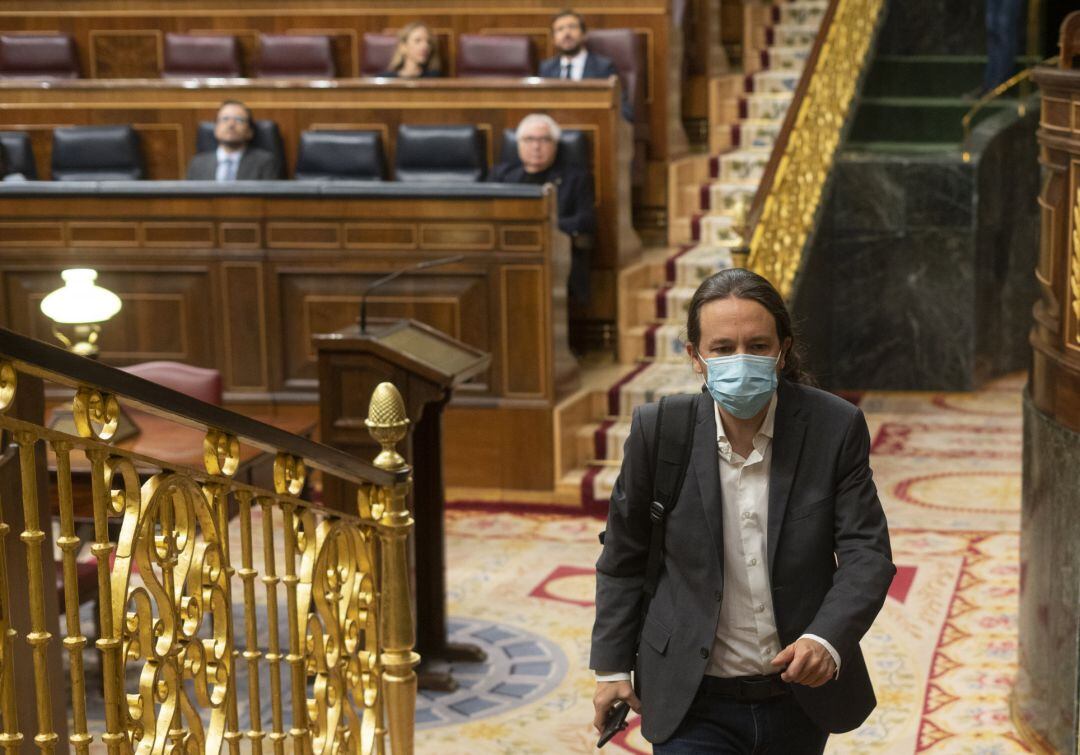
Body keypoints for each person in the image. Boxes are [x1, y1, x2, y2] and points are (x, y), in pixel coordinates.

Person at [590, 268, 895, 752]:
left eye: (757, 346)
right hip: (691, 698)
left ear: (783, 351)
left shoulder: (833, 427)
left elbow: (867, 553)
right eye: (723, 348)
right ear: (695, 357)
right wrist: (610, 667)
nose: (741, 360)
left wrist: (826, 639)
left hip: (798, 696)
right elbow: (623, 556)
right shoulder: (659, 431)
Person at [490, 113, 595, 308]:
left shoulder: (575, 178)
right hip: (508, 253)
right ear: (518, 144)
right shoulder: (501, 176)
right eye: (529, 139)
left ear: (555, 145)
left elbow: (586, 220)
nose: (536, 146)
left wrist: (545, 226)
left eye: (544, 140)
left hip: (555, 255)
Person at [538, 9, 633, 121]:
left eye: (572, 27)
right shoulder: (546, 68)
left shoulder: (603, 67)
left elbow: (623, 110)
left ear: (584, 34)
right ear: (553, 39)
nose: (566, 33)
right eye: (560, 29)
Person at [186, 100, 280, 181]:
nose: (231, 124)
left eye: (239, 120)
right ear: (215, 128)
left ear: (250, 132)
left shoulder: (265, 163)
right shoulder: (198, 164)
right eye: (225, 119)